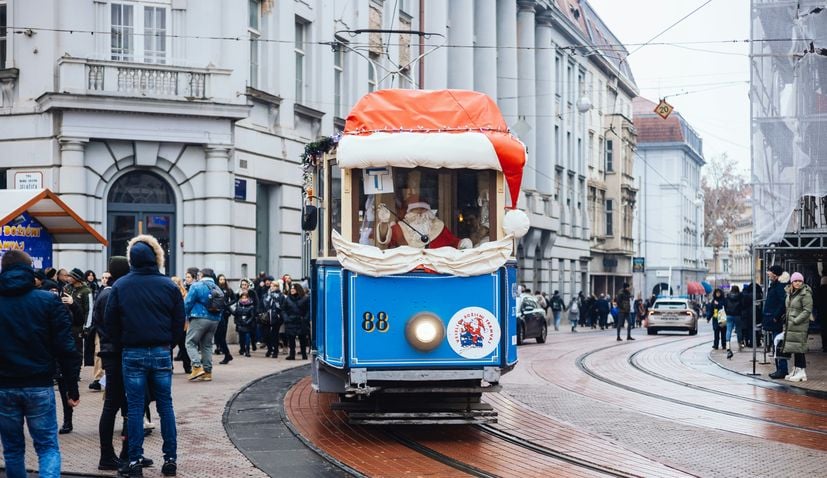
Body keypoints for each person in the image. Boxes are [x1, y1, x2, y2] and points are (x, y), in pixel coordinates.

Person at [105, 234, 184, 477]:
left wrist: (124, 342)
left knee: (136, 408)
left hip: (133, 351)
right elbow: (179, 321)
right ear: (155, 257)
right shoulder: (169, 285)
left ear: (132, 260)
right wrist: (168, 344)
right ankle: (170, 458)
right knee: (166, 405)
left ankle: (134, 459)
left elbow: (110, 323)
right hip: (160, 350)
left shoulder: (120, 286)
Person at [0, 250, 81, 478]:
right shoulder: (47, 301)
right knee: (46, 447)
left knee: (13, 449)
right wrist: (71, 387)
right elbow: (66, 349)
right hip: (39, 383)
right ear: (30, 271)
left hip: (4, 385)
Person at [94, 257, 132, 470]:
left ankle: (128, 452)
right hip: (115, 353)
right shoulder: (110, 294)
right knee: (113, 405)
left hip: (113, 352)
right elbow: (112, 326)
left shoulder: (108, 293)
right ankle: (107, 456)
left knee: (124, 404)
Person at [377, 200, 473, 249]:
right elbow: (384, 240)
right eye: (415, 209)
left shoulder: (439, 227)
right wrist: (384, 223)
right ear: (409, 212)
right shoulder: (400, 228)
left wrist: (464, 244)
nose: (419, 212)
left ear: (428, 211)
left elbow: (454, 243)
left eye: (423, 209)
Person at [183, 268, 222, 382]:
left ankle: (196, 366)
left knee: (190, 342)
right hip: (214, 319)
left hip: (199, 317)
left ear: (201, 275)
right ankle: (207, 372)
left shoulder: (196, 286)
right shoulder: (217, 287)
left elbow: (188, 303)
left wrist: (184, 316)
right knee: (207, 345)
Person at [782, 272, 813, 382]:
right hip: (791, 325)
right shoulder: (791, 293)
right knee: (795, 349)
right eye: (795, 281)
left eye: (800, 281)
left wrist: (795, 320)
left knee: (800, 349)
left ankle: (802, 371)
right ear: (792, 282)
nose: (798, 283)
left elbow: (807, 311)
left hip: (799, 325)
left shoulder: (805, 293)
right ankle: (796, 369)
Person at [763, 265, 789, 379]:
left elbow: (783, 302)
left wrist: (776, 316)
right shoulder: (775, 285)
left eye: (770, 272)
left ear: (775, 274)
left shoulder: (779, 286)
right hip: (773, 319)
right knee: (776, 345)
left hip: (776, 321)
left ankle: (782, 369)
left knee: (778, 345)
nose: (768, 274)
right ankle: (780, 369)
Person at [283, 283, 310, 360]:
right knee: (291, 339)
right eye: (291, 289)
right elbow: (284, 310)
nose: (292, 290)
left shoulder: (305, 298)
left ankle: (304, 354)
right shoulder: (287, 299)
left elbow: (308, 310)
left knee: (303, 339)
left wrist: (305, 318)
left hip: (301, 321)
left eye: (293, 289)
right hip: (290, 321)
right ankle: (292, 354)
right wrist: (286, 318)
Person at [169, 276, 191, 375]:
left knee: (169, 347)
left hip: (172, 324)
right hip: (183, 324)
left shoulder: (169, 294)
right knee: (184, 347)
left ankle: (170, 367)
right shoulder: (185, 294)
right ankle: (187, 367)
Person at [214, 274, 235, 364]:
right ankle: (224, 352)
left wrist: (227, 305)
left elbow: (234, 299)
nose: (222, 281)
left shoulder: (228, 290)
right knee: (219, 336)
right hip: (218, 313)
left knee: (221, 336)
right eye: (220, 279)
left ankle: (227, 354)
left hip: (223, 313)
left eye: (223, 279)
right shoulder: (215, 289)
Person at [262, 281, 286, 358]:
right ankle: (269, 349)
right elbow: (263, 304)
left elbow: (282, 307)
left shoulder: (281, 296)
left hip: (276, 317)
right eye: (271, 286)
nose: (272, 287)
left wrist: (280, 316)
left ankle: (275, 350)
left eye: (274, 286)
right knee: (266, 334)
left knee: (274, 335)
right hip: (267, 316)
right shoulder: (266, 295)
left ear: (278, 287)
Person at [233, 291, 256, 357]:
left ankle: (247, 350)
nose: (244, 299)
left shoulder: (251, 306)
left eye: (245, 298)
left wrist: (247, 322)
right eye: (242, 298)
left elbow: (252, 316)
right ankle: (242, 349)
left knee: (247, 338)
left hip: (248, 325)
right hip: (240, 324)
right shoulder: (238, 305)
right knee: (241, 338)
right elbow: (236, 315)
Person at [723, 285, 743, 359]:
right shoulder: (740, 296)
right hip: (738, 315)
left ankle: (728, 346)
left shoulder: (728, 296)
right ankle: (739, 344)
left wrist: (727, 312)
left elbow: (725, 305)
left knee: (728, 330)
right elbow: (742, 305)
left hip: (729, 315)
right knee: (738, 330)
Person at [814, 275, 827, 353]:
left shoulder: (819, 291)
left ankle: (825, 345)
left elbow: (816, 302)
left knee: (824, 329)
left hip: (822, 312)